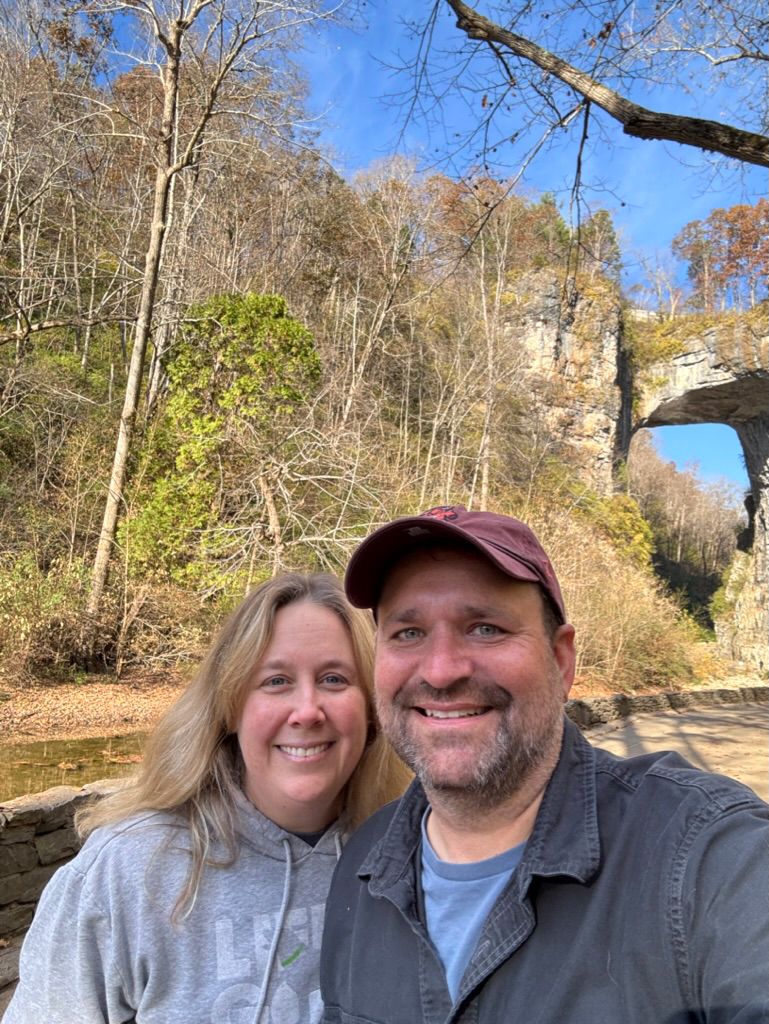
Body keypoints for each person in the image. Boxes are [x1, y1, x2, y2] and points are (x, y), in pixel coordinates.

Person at [320, 504, 769, 1024]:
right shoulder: (360, 864)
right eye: (408, 633)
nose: (441, 671)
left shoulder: (709, 855)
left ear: (561, 660)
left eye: (484, 628)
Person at [4, 573, 409, 1024]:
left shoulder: (404, 855)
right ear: (230, 705)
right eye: (275, 681)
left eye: (334, 679)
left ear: (371, 707)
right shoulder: (130, 868)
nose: (307, 710)